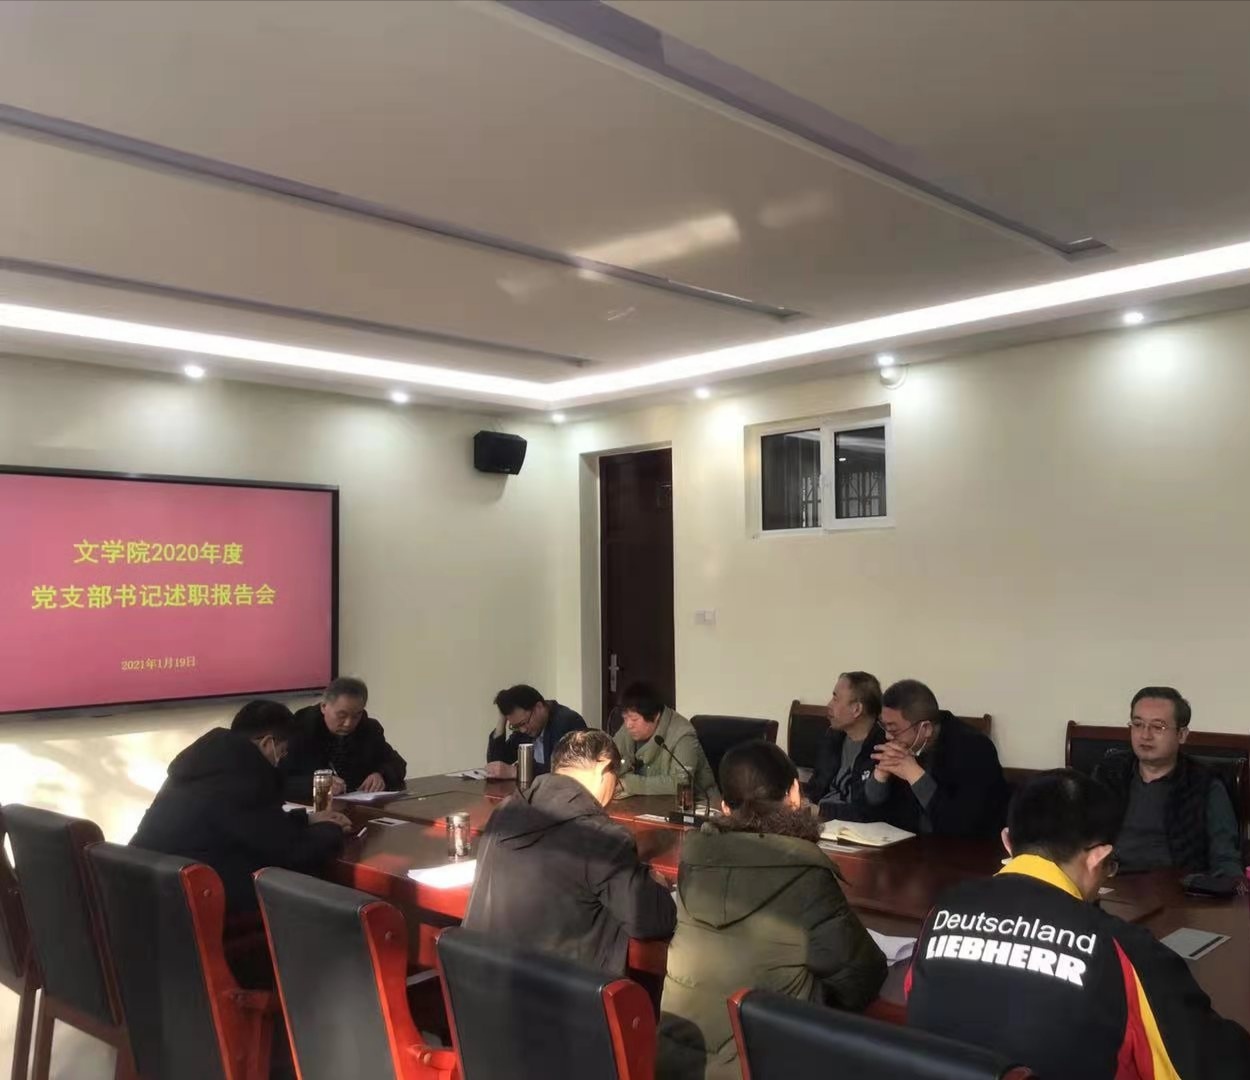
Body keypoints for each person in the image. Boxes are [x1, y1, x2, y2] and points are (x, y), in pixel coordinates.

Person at [907, 769, 1250, 1079]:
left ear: (1008, 841)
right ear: (1098, 857)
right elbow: (1211, 1066)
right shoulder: (1125, 951)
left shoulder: (941, 912)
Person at [657, 740, 887, 1080]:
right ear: (794, 793)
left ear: (724, 807)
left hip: (675, 1066)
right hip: (762, 1066)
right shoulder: (805, 874)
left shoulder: (694, 863)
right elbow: (861, 977)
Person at [463, 729, 676, 973]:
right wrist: (655, 885)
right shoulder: (600, 837)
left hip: (482, 982)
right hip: (560, 991)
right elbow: (651, 921)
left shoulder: (504, 812)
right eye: (616, 777)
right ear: (603, 767)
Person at [131, 699, 351, 914]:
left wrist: (307, 819)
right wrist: (332, 830)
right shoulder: (245, 774)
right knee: (304, 884)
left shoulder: (206, 763)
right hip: (190, 901)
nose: (281, 760)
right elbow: (288, 852)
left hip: (146, 887)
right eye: (283, 751)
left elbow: (253, 827)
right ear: (267, 743)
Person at [1093, 686, 1242, 880]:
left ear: (1182, 735)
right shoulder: (1110, 773)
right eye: (1137, 724)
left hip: (1176, 889)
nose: (1145, 735)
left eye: (1158, 727)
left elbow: (1225, 859)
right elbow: (1079, 838)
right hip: (1109, 882)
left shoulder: (1205, 784)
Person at [856, 679, 1007, 838]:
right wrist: (880, 777)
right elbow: (866, 812)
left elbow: (962, 824)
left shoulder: (973, 748)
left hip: (963, 848)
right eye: (884, 726)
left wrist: (914, 774)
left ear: (926, 728)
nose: (887, 736)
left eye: (893, 730)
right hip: (902, 844)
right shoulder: (891, 740)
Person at [281, 677, 407, 800]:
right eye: (342, 715)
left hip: (357, 806)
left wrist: (381, 775)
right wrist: (317, 784)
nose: (348, 723)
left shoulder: (369, 729)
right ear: (324, 706)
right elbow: (278, 780)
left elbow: (398, 764)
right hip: (312, 807)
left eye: (356, 716)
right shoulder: (297, 729)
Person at [613, 681, 720, 805]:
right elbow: (609, 757)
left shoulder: (683, 734)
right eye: (625, 718)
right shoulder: (628, 728)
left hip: (698, 806)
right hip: (646, 803)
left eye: (634, 719)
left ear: (656, 716)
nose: (628, 725)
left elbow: (680, 782)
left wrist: (628, 784)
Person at [804, 671, 887, 819]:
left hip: (850, 827)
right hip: (818, 822)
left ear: (857, 709)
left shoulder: (882, 749)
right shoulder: (833, 737)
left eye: (835, 698)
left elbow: (869, 813)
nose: (829, 705)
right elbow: (816, 786)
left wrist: (819, 811)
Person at [484, 684, 587, 778]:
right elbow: (496, 765)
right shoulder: (524, 728)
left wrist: (517, 771)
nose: (523, 730)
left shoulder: (567, 721)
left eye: (523, 723)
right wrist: (502, 719)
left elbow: (567, 771)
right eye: (516, 726)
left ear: (539, 707)